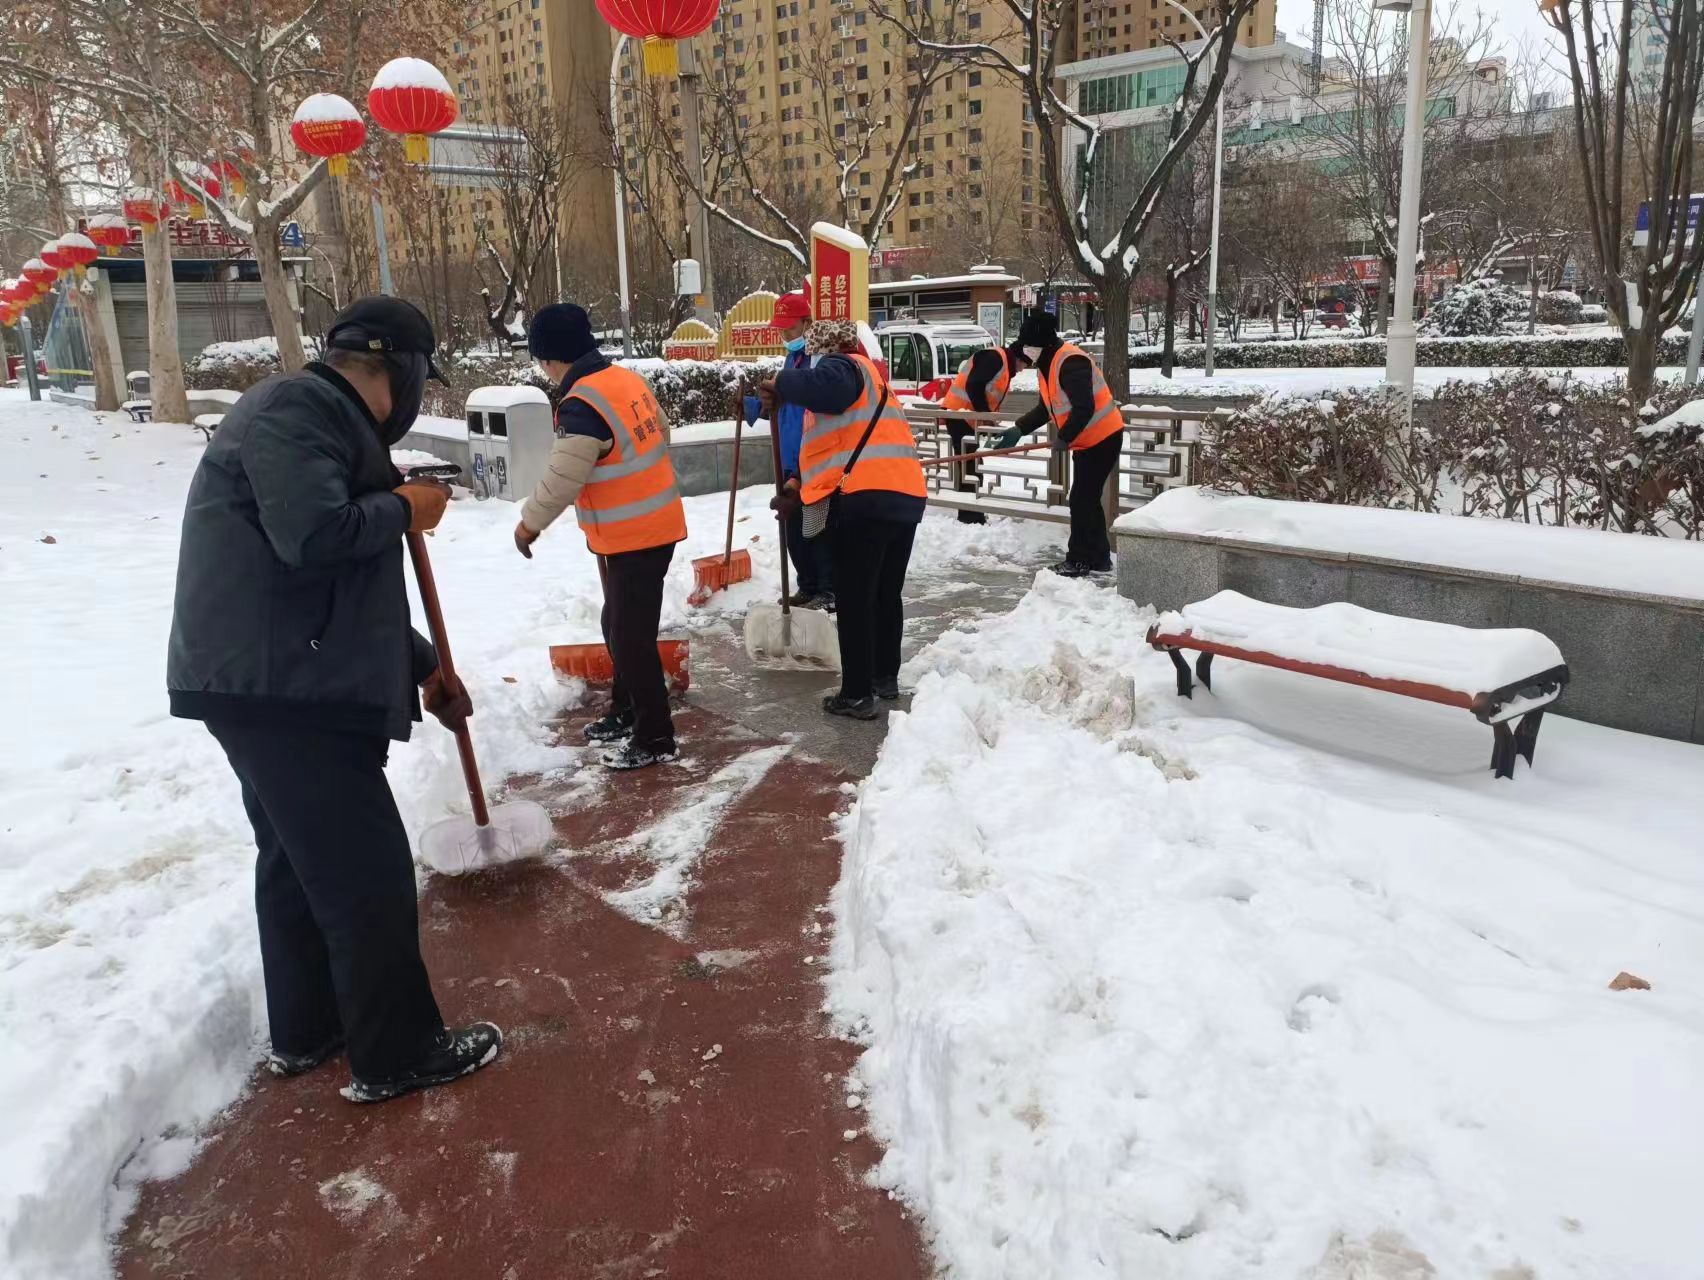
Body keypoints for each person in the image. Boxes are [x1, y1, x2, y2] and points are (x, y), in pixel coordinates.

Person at [167, 296, 501, 1104]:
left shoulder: (318, 418)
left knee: (297, 860)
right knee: (366, 871)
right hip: (284, 689)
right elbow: (314, 538)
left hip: (275, 679)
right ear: (400, 370)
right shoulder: (298, 408)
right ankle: (397, 1050)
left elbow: (337, 587)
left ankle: (309, 1027)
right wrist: (402, 507)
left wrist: (422, 665)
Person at [513, 302, 687, 770]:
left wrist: (529, 524)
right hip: (650, 527)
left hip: (636, 536)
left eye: (542, 361)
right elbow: (661, 433)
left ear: (552, 358)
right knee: (619, 626)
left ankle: (656, 736)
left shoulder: (581, 405)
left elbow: (562, 479)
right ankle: (626, 710)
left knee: (631, 638)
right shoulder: (624, 380)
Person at [761, 319, 926, 719]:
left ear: (823, 351)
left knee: (855, 597)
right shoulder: (872, 387)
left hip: (864, 501)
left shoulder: (843, 367)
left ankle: (856, 694)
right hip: (901, 498)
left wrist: (780, 382)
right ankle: (883, 678)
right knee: (884, 594)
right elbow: (833, 449)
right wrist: (795, 488)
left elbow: (827, 386)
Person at [1006, 309, 1123, 577]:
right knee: (1087, 499)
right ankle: (1099, 559)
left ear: (1042, 344)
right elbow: (1045, 408)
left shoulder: (1071, 362)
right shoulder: (1047, 366)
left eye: (1028, 345)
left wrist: (1064, 437)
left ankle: (1078, 560)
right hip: (1087, 441)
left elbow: (1084, 408)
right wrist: (1019, 428)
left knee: (1081, 500)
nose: (1025, 350)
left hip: (1103, 438)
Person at [769, 290, 834, 607]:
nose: (785, 336)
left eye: (790, 328)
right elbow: (785, 407)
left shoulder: (820, 360)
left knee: (816, 526)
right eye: (781, 330)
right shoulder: (792, 359)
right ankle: (807, 585)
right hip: (790, 454)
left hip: (814, 458)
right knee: (792, 527)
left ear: (807, 323)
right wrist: (755, 405)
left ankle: (827, 589)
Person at [937, 342, 1031, 524]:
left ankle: (971, 513)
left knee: (971, 465)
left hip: (965, 417)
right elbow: (974, 385)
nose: (1022, 370)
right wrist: (985, 415)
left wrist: (987, 418)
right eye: (1023, 365)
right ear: (1018, 358)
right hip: (960, 415)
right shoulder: (995, 358)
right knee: (970, 467)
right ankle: (969, 516)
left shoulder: (1001, 363)